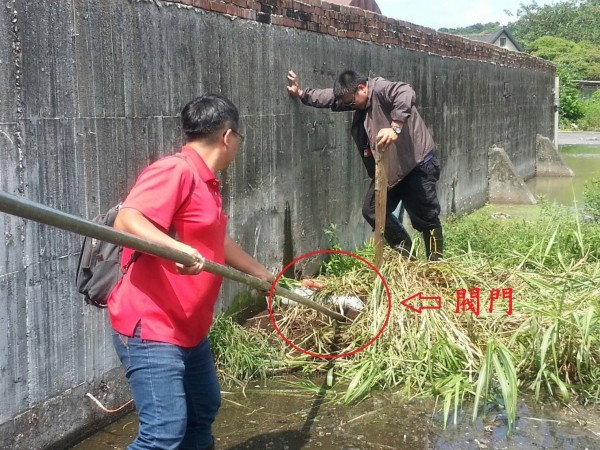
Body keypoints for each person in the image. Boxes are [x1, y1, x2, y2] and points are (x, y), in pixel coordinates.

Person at [107, 94, 275, 450]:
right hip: (153, 326)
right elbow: (128, 218)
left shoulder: (207, 182)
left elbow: (217, 240)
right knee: (162, 435)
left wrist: (262, 274)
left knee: (202, 411)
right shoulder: (176, 170)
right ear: (228, 137)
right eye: (239, 140)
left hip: (189, 327)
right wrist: (177, 248)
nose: (237, 148)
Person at [286, 69, 443, 260]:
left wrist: (395, 126)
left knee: (427, 219)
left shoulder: (381, 89)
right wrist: (302, 94)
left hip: (416, 165)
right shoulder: (357, 98)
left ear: (362, 88)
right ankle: (408, 256)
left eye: (351, 102)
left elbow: (405, 91)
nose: (350, 106)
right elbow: (331, 97)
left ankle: (436, 266)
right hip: (389, 170)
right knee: (372, 211)